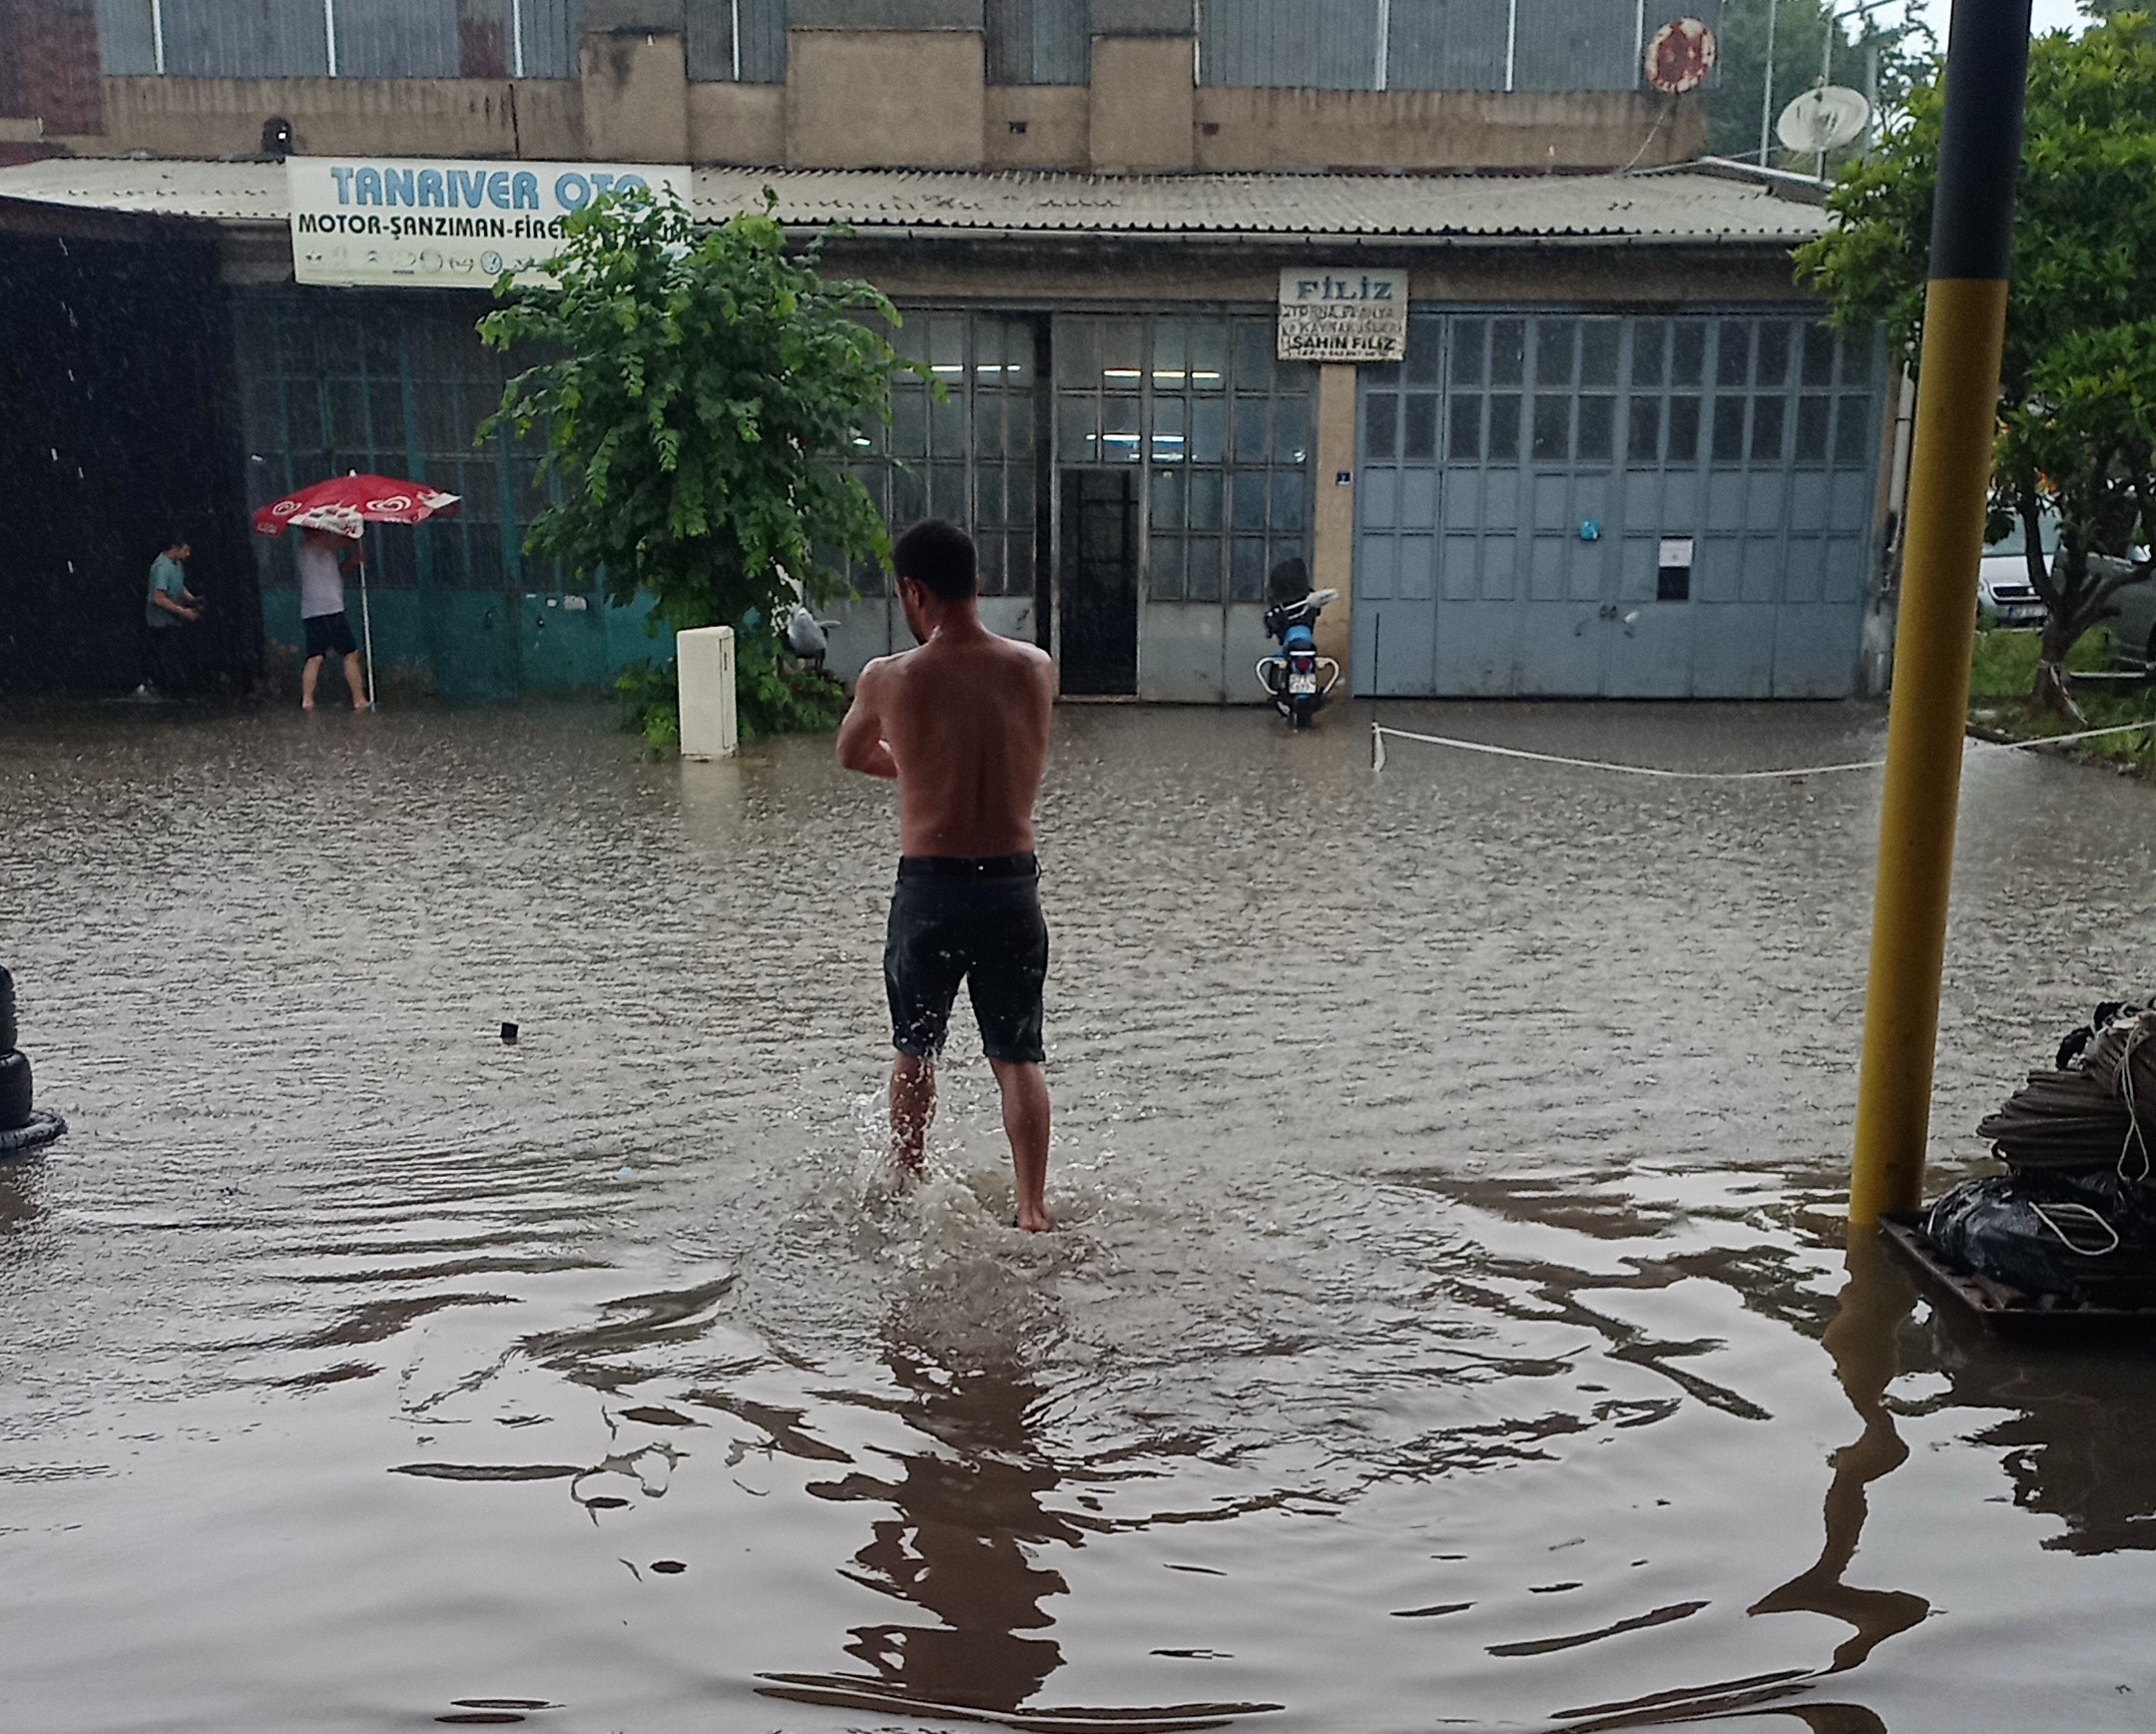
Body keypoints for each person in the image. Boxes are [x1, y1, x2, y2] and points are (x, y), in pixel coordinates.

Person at [837, 520, 1058, 1232]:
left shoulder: (890, 677)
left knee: (916, 1048)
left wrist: (918, 766)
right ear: (979, 585)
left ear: (914, 591)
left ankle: (908, 1184)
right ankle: (1032, 1207)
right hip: (1011, 886)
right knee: (1017, 1057)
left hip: (930, 887)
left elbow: (850, 752)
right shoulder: (1036, 668)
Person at [295, 526, 368, 711]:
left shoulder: (309, 550)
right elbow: (347, 540)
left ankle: (307, 701)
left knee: (315, 656)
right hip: (330, 610)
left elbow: (334, 572)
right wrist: (357, 527)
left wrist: (351, 562)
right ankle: (359, 699)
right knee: (350, 653)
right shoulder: (318, 544)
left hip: (312, 611)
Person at [142, 531, 202, 696]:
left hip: (174, 619)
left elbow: (179, 585)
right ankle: (161, 687)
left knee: (175, 654)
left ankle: (173, 687)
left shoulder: (177, 564)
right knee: (165, 655)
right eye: (185, 550)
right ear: (175, 548)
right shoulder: (161, 568)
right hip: (160, 622)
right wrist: (183, 611)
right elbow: (159, 598)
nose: (188, 554)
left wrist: (192, 599)